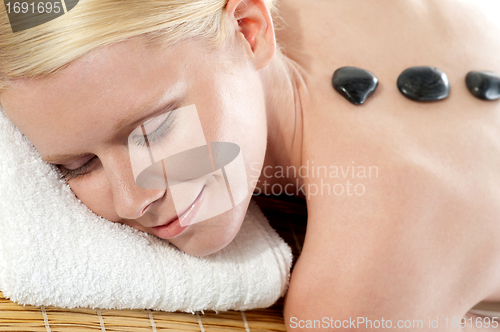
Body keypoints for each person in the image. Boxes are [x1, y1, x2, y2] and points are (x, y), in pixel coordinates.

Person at [1, 0, 500, 330]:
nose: (135, 198)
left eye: (152, 131)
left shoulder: (359, 279)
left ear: (249, 29)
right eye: (77, 165)